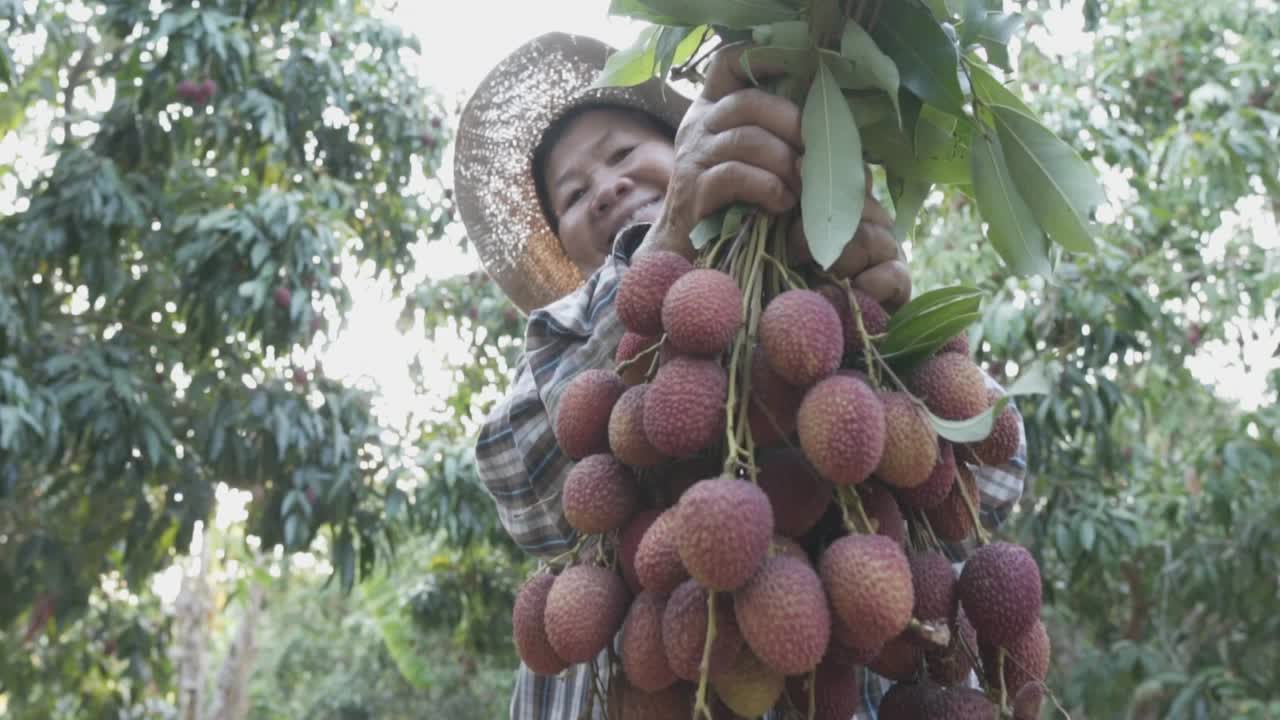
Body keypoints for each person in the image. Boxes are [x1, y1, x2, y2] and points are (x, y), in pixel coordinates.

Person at [453, 32, 1026, 720]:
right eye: (573, 196)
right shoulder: (565, 336)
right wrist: (666, 244)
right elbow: (533, 491)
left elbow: (990, 480)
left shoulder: (831, 303)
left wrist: (902, 345)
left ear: (694, 140)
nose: (606, 189)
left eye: (624, 154)